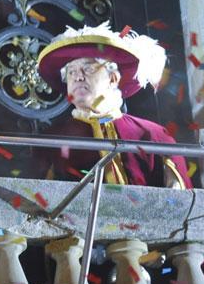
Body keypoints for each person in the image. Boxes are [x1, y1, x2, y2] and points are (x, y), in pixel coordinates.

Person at [36, 22, 190, 188]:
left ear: (113, 79)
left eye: (88, 69)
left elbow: (180, 203)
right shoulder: (51, 140)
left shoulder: (154, 135)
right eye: (71, 72)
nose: (77, 77)